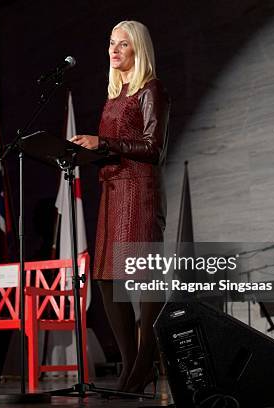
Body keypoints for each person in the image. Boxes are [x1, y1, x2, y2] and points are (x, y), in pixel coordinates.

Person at [70, 20, 170, 393]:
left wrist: (104, 145)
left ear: (138, 49)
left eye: (123, 45)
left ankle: (144, 364)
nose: (114, 50)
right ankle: (132, 367)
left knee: (142, 277)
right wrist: (79, 152)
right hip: (112, 191)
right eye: (111, 43)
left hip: (139, 193)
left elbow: (153, 148)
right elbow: (108, 147)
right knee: (107, 278)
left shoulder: (151, 89)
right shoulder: (113, 97)